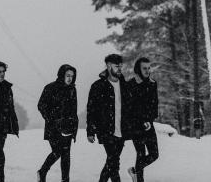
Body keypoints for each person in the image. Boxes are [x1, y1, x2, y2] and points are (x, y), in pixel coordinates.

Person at [86, 54, 132, 182]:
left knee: (111, 163)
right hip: (106, 131)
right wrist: (90, 130)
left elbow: (130, 108)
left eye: (120, 66)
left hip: (121, 131)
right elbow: (91, 110)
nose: (119, 69)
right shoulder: (98, 86)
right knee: (114, 164)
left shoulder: (125, 85)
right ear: (108, 65)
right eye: (117, 66)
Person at [37, 64, 79, 182]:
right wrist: (52, 119)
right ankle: (43, 171)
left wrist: (74, 125)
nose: (70, 78)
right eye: (67, 75)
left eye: (72, 76)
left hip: (68, 127)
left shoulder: (72, 89)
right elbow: (41, 105)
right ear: (62, 75)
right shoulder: (50, 87)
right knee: (57, 151)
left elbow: (73, 109)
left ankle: (65, 180)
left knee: (66, 155)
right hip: (53, 127)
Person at [126, 57, 159, 182]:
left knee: (154, 154)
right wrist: (141, 121)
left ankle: (135, 171)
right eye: (144, 68)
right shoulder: (131, 84)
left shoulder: (152, 83)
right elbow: (130, 108)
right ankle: (139, 179)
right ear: (138, 69)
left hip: (149, 124)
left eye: (149, 68)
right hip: (135, 125)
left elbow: (154, 104)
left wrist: (149, 120)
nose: (147, 70)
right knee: (140, 153)